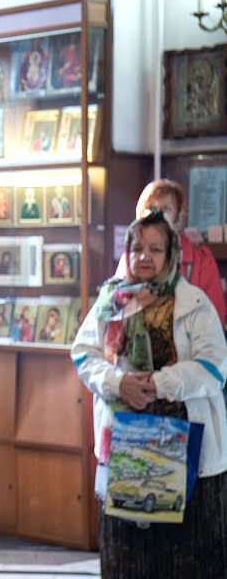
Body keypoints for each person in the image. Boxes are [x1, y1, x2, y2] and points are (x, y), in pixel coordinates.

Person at [71, 210, 227, 578]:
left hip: (190, 454)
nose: (145, 257)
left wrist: (158, 384)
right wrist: (117, 383)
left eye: (155, 249)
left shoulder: (195, 303)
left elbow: (215, 367)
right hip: (128, 446)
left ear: (171, 253)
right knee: (129, 557)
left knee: (188, 558)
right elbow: (83, 353)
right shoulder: (111, 300)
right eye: (137, 247)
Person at [116, 179, 225, 325]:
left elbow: (215, 316)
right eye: (151, 208)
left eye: (166, 209)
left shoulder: (201, 258)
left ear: (178, 213)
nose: (158, 215)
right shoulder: (131, 258)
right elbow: (116, 306)